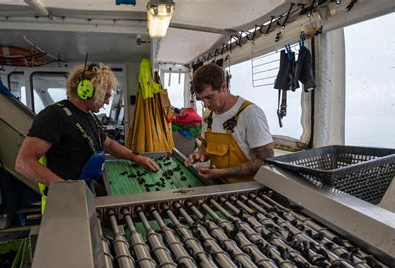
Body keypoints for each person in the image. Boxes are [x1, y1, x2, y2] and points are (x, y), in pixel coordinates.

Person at [15, 63, 158, 211]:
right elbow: (23, 162)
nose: (107, 102)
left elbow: (108, 144)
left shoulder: (90, 116)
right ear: (87, 91)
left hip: (85, 192)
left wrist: (135, 157)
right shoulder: (54, 116)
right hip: (63, 202)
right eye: (105, 95)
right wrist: (67, 189)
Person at [185, 63, 274, 183]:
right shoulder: (208, 115)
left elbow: (266, 161)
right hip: (218, 185)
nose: (205, 104)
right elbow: (206, 144)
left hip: (247, 191)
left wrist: (224, 172)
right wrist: (200, 155)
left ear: (224, 87)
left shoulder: (250, 113)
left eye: (210, 97)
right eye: (201, 99)